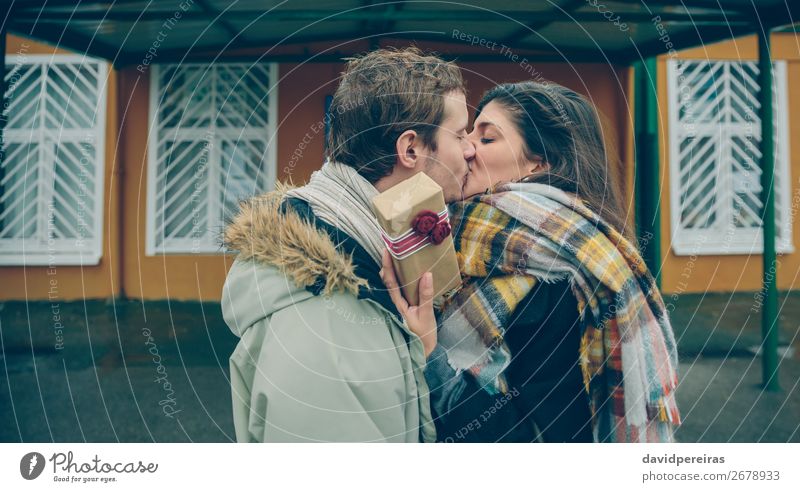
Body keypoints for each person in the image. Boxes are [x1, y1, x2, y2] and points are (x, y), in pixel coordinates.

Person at [382, 81, 681, 443]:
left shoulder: (556, 275)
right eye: (466, 134)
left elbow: (522, 439)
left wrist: (430, 352)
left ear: (541, 162)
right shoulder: (469, 238)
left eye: (487, 139)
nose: (466, 148)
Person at [220, 47, 476, 442]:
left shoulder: (360, 259)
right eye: (459, 135)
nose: (471, 149)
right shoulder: (331, 331)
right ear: (410, 149)